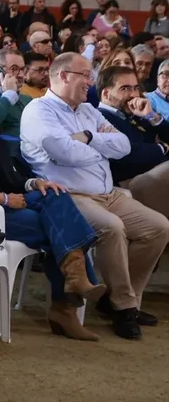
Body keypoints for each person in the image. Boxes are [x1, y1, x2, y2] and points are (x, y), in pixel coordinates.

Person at [0, 74, 107, 341]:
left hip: (6, 207)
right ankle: (67, 303)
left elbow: (12, 180)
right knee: (57, 230)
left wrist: (34, 182)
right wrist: (2, 199)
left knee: (56, 194)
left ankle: (74, 282)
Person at [21, 53, 169, 339]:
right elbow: (61, 151)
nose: (90, 81)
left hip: (109, 193)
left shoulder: (87, 111)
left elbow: (123, 145)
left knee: (159, 227)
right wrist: (99, 147)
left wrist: (89, 138)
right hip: (71, 196)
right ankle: (126, 309)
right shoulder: (39, 111)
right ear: (64, 76)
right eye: (85, 75)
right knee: (113, 228)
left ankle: (118, 298)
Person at [96, 66, 169, 220]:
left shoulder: (133, 113)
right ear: (106, 93)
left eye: (136, 88)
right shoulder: (100, 117)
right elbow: (130, 155)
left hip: (152, 172)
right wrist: (162, 147)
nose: (134, 94)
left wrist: (151, 116)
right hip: (129, 180)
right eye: (125, 89)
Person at [0, 48, 31, 151]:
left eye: (23, 69)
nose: (21, 75)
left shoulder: (26, 99)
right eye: (14, 68)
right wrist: (9, 95)